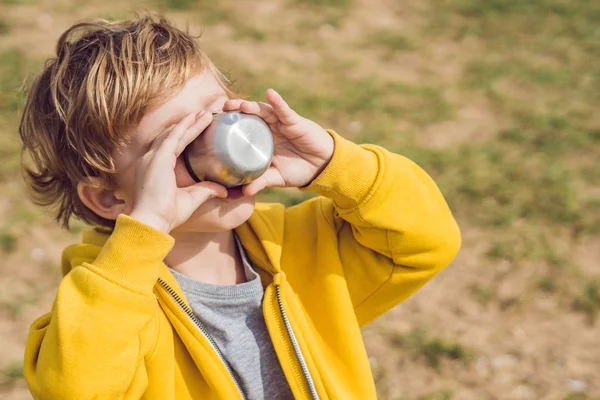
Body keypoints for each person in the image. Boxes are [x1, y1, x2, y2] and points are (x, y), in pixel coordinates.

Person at [18, 14, 461, 400]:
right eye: (176, 144)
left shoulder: (306, 247)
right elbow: (77, 390)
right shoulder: (106, 303)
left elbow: (427, 241)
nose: (222, 146)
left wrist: (333, 162)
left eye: (218, 117)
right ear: (111, 197)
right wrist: (145, 230)